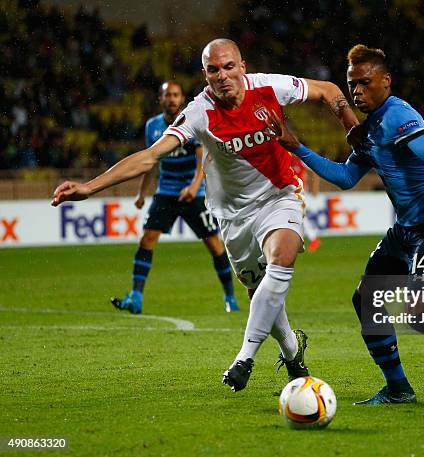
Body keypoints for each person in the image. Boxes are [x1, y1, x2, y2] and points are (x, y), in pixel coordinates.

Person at [51, 38, 359, 392]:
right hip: (232, 215)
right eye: (214, 70)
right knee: (260, 290)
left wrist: (354, 128)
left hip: (279, 195)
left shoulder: (270, 87)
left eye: (229, 67)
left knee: (282, 257)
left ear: (242, 66)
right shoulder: (199, 112)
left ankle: (245, 357)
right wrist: (91, 187)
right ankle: (291, 351)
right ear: (205, 74)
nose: (223, 76)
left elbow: (328, 90)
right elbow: (151, 156)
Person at [265, 44, 424, 404]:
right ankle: (399, 389)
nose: (356, 91)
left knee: (420, 314)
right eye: (352, 84)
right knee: (366, 299)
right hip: (405, 233)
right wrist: (297, 148)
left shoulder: (399, 115)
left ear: (386, 81)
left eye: (365, 82)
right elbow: (345, 177)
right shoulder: (370, 131)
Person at [111, 80, 238, 315]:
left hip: (193, 193)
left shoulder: (192, 121)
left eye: (176, 95)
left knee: (214, 245)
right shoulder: (152, 127)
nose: (171, 99)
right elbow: (151, 162)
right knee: (147, 239)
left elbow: (205, 159)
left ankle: (230, 297)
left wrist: (194, 186)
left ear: (182, 99)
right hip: (166, 193)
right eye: (167, 94)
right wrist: (142, 193)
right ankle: (136, 297)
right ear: (160, 99)